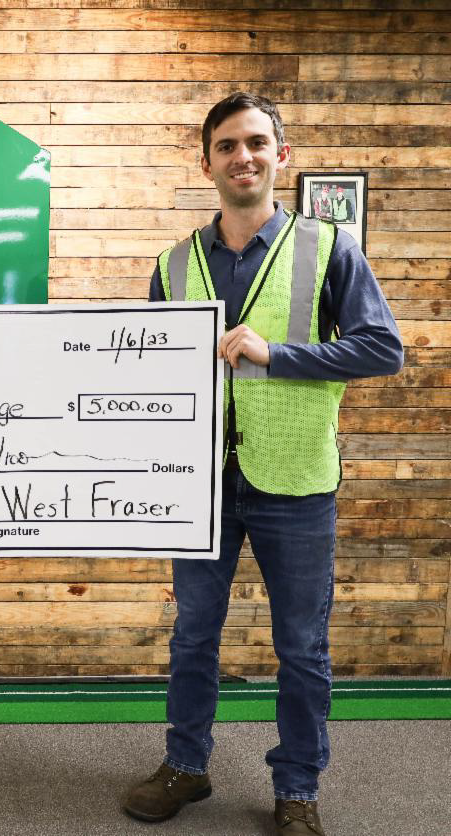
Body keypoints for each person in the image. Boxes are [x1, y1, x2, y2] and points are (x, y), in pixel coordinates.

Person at [122, 93, 403, 835]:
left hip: (296, 482)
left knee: (301, 648)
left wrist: (275, 354)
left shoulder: (328, 247)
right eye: (226, 145)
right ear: (206, 161)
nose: (241, 157)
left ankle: (298, 787)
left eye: (255, 143)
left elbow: (383, 349)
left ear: (281, 156)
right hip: (202, 486)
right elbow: (151, 378)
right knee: (192, 637)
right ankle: (186, 767)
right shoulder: (174, 264)